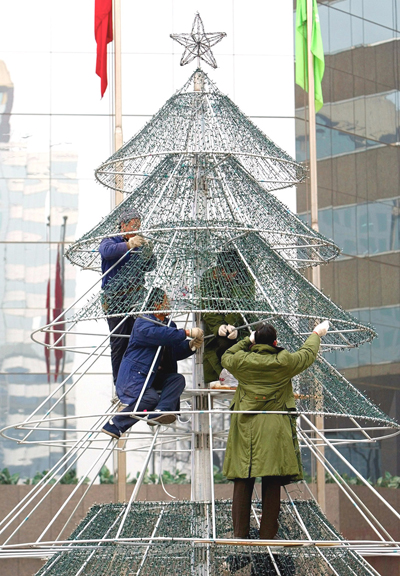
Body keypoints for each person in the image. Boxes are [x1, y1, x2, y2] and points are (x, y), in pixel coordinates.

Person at [221, 320, 329, 540]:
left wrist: (245, 340)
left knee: (243, 479)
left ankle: (240, 537)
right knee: (272, 481)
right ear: (275, 342)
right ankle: (268, 536)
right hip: (274, 428)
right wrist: (316, 333)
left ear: (254, 342)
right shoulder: (284, 361)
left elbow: (226, 356)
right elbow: (307, 354)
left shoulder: (242, 360)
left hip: (245, 429)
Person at [101, 287, 203, 438]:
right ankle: (116, 424)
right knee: (149, 398)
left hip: (151, 376)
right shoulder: (143, 322)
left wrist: (190, 345)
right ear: (156, 304)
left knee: (177, 380)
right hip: (135, 376)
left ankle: (161, 411)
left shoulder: (169, 326)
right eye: (166, 300)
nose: (169, 303)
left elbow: (172, 351)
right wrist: (185, 333)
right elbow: (158, 335)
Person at [99, 210, 156, 385]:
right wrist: (128, 245)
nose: (136, 228)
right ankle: (120, 383)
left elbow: (150, 266)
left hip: (136, 298)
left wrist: (148, 254)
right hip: (116, 300)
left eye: (138, 225)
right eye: (133, 225)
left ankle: (137, 381)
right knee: (119, 341)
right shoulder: (111, 241)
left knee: (138, 339)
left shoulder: (140, 243)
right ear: (123, 225)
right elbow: (107, 252)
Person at [201, 250, 253, 384]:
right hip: (214, 332)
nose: (227, 276)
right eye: (223, 271)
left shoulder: (245, 279)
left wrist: (234, 325)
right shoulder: (209, 278)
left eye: (231, 273)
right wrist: (219, 326)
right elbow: (208, 306)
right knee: (221, 344)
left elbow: (243, 305)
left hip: (242, 327)